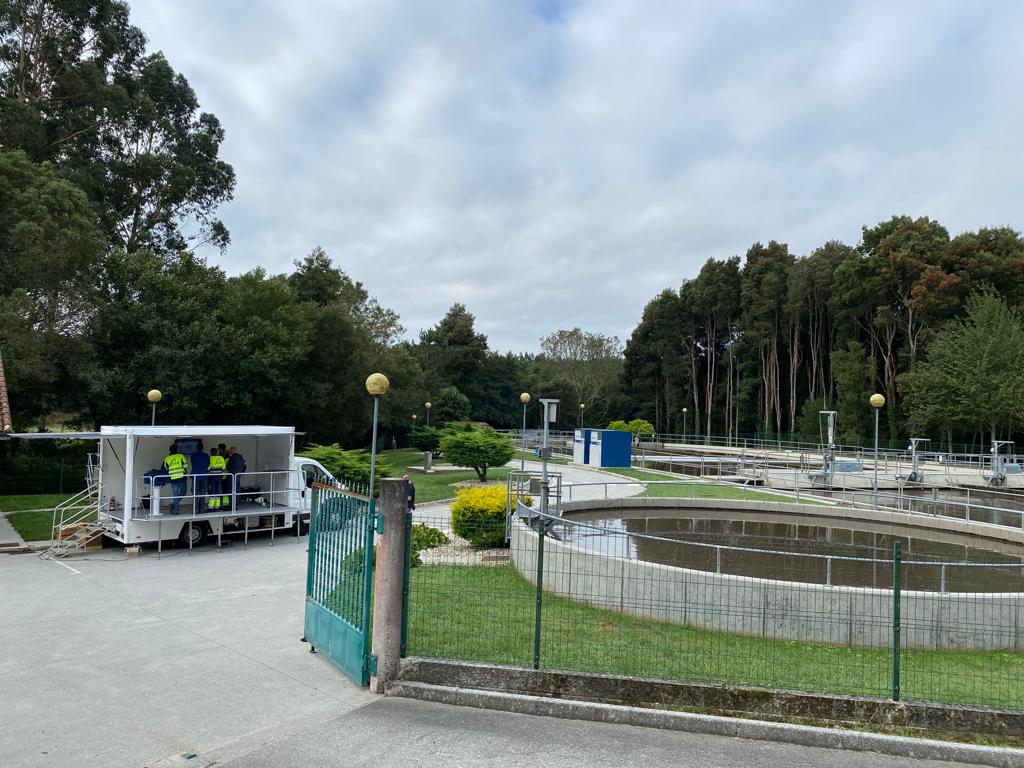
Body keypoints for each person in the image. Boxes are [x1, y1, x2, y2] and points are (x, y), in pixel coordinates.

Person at [162, 443, 189, 514]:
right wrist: (185, 472)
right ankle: (174, 505)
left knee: (175, 495)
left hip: (173, 479)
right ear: (177, 450)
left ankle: (175, 509)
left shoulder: (167, 458)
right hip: (182, 478)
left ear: (170, 450)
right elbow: (186, 466)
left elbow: (165, 469)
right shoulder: (181, 456)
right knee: (184, 492)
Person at [190, 441, 210, 513]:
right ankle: (201, 509)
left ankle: (195, 509)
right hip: (204, 475)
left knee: (195, 493)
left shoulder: (193, 455)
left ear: (196, 447)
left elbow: (192, 463)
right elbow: (208, 464)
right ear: (202, 448)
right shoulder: (206, 455)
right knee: (202, 493)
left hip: (195, 475)